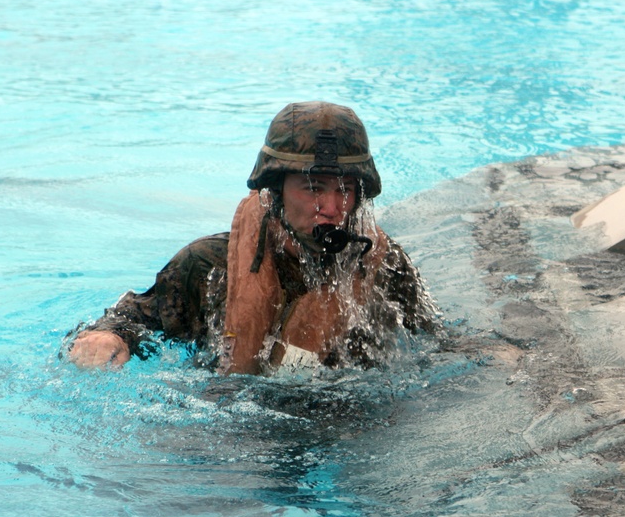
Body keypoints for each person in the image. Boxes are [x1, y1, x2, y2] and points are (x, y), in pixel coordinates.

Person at [67, 101, 440, 374]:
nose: (332, 206)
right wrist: (109, 337)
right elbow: (134, 317)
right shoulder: (207, 266)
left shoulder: (383, 265)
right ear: (275, 191)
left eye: (345, 189)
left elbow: (437, 345)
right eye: (313, 187)